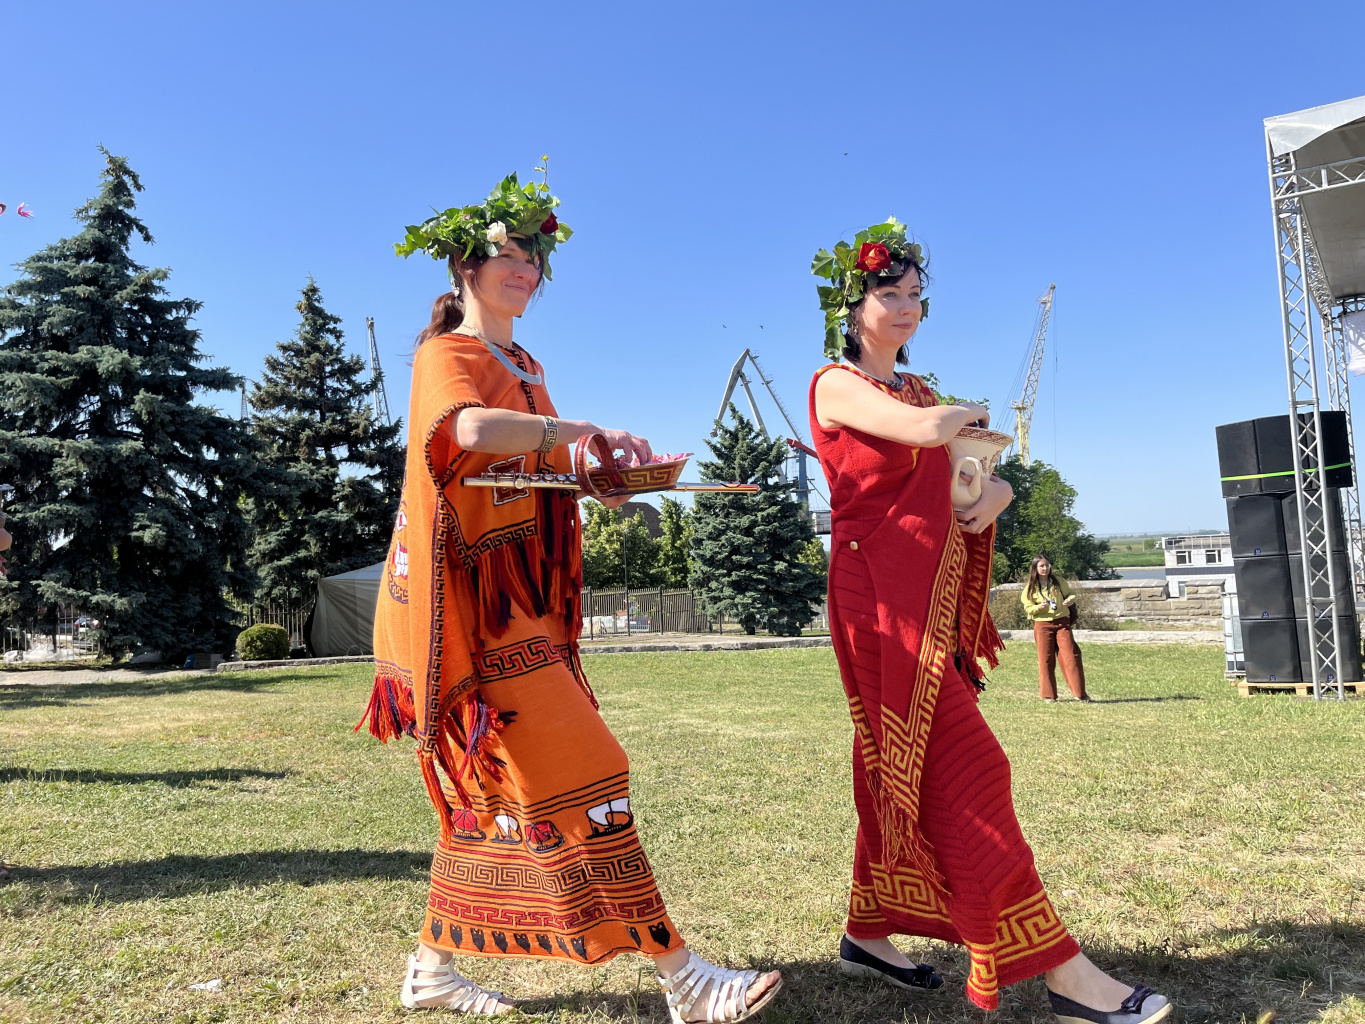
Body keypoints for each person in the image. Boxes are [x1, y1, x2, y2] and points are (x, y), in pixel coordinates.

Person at [361, 171, 781, 1022]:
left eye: (532, 257)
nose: (522, 268)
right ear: (462, 270)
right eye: (504, 254)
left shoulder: (526, 362)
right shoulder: (448, 355)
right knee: (591, 770)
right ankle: (683, 978)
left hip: (523, 601)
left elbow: (529, 469)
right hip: (473, 608)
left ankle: (432, 970)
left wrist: (602, 478)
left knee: (497, 796)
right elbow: (466, 435)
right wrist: (580, 434)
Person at [809, 220, 1170, 1024]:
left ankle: (869, 929)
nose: (905, 308)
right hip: (875, 600)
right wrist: (965, 428)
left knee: (891, 762)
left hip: (924, 595)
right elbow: (930, 438)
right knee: (970, 770)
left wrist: (985, 483)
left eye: (914, 296)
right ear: (851, 302)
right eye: (887, 294)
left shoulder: (912, 388)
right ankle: (1061, 971)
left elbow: (976, 492)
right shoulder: (836, 384)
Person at [1021, 556, 1089, 702]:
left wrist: (1070, 599)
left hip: (1062, 622)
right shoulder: (1030, 587)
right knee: (1045, 659)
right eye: (1042, 566)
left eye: (1047, 565)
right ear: (1035, 569)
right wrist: (1038, 607)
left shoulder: (1058, 581)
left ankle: (1080, 694)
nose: (1045, 569)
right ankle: (1049, 695)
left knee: (1071, 655)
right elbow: (1028, 608)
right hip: (1042, 625)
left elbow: (1071, 593)